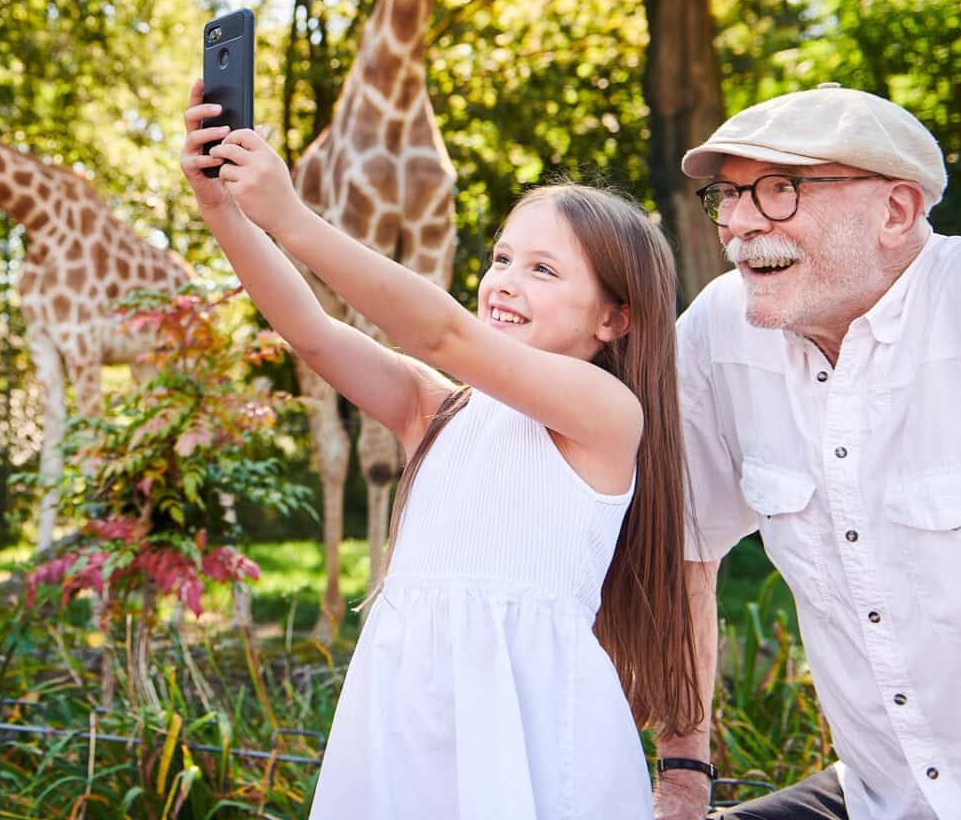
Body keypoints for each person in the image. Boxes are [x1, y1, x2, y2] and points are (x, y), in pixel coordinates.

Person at [181, 80, 699, 819]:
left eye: (543, 270)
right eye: (502, 258)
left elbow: (444, 333)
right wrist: (221, 211)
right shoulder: (440, 410)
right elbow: (313, 332)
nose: (505, 283)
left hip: (532, 739)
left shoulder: (606, 415)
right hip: (406, 721)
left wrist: (293, 218)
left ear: (615, 319)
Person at [651, 84, 961, 820]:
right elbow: (685, 547)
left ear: (895, 212)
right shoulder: (718, 328)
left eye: (778, 190)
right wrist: (683, 769)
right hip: (876, 799)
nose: (737, 224)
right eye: (729, 196)